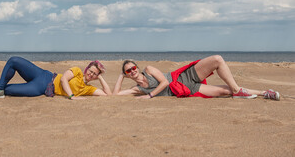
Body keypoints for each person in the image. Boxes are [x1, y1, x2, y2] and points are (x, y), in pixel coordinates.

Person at [113, 55, 280, 100]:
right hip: (187, 90)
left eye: (133, 67)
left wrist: (150, 96)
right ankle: (264, 93)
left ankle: (239, 90)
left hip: (184, 76)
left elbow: (164, 82)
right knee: (226, 92)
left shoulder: (149, 70)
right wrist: (120, 76)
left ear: (138, 67)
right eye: (128, 71)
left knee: (217, 59)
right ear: (127, 75)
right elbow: (115, 95)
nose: (132, 71)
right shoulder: (137, 89)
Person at [0, 56, 111, 99]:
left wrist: (101, 78)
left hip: (41, 88)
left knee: (9, 91)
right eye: (90, 71)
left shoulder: (88, 89)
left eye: (94, 74)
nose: (91, 74)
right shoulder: (77, 71)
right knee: (14, 60)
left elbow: (107, 95)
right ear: (86, 69)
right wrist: (71, 96)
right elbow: (64, 79)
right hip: (44, 76)